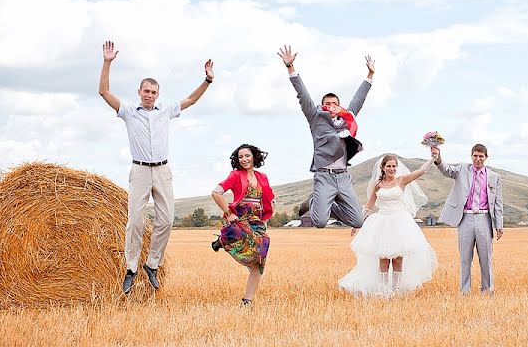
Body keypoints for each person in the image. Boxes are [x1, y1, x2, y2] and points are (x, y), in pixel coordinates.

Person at [98, 40, 214, 294]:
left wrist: (207, 81)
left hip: (162, 170)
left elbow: (191, 100)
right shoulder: (129, 111)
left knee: (166, 220)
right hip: (139, 171)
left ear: (158, 94)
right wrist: (107, 62)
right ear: (139, 92)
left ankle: (152, 264)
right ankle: (131, 268)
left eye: (153, 91)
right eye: (146, 91)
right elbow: (104, 92)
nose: (149, 95)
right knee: (136, 222)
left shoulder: (166, 110)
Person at [277, 45, 373, 229]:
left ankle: (330, 204)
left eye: (334, 104)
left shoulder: (347, 117)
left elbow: (359, 99)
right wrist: (291, 68)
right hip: (324, 176)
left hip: (343, 176)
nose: (331, 106)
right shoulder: (315, 116)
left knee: (358, 221)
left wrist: (370, 76)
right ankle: (315, 201)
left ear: (340, 105)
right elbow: (302, 95)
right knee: (320, 222)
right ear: (322, 106)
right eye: (327, 104)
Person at [339, 155, 437, 296]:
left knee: (398, 259)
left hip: (400, 223)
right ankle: (384, 290)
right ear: (383, 168)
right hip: (383, 223)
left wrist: (433, 158)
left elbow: (421, 171)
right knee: (383, 260)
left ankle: (396, 290)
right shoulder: (377, 185)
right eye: (389, 166)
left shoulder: (401, 180)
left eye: (394, 166)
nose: (392, 169)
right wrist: (356, 223)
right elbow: (369, 205)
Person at [432, 144, 503, 294]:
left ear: (486, 157)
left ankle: (487, 291)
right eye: (475, 156)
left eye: (481, 156)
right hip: (466, 217)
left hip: (484, 218)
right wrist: (438, 158)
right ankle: (465, 291)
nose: (478, 159)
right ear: (471, 156)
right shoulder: (462, 169)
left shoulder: (494, 177)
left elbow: (498, 203)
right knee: (465, 258)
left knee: (486, 259)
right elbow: (447, 170)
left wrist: (499, 225)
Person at [211, 144, 275, 306]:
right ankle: (225, 239)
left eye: (247, 156)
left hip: (257, 220)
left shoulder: (263, 177)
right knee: (242, 233)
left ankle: (247, 301)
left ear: (254, 157)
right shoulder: (235, 175)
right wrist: (228, 212)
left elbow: (269, 199)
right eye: (241, 157)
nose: (244, 159)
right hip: (239, 218)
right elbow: (216, 192)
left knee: (260, 260)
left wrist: (267, 217)